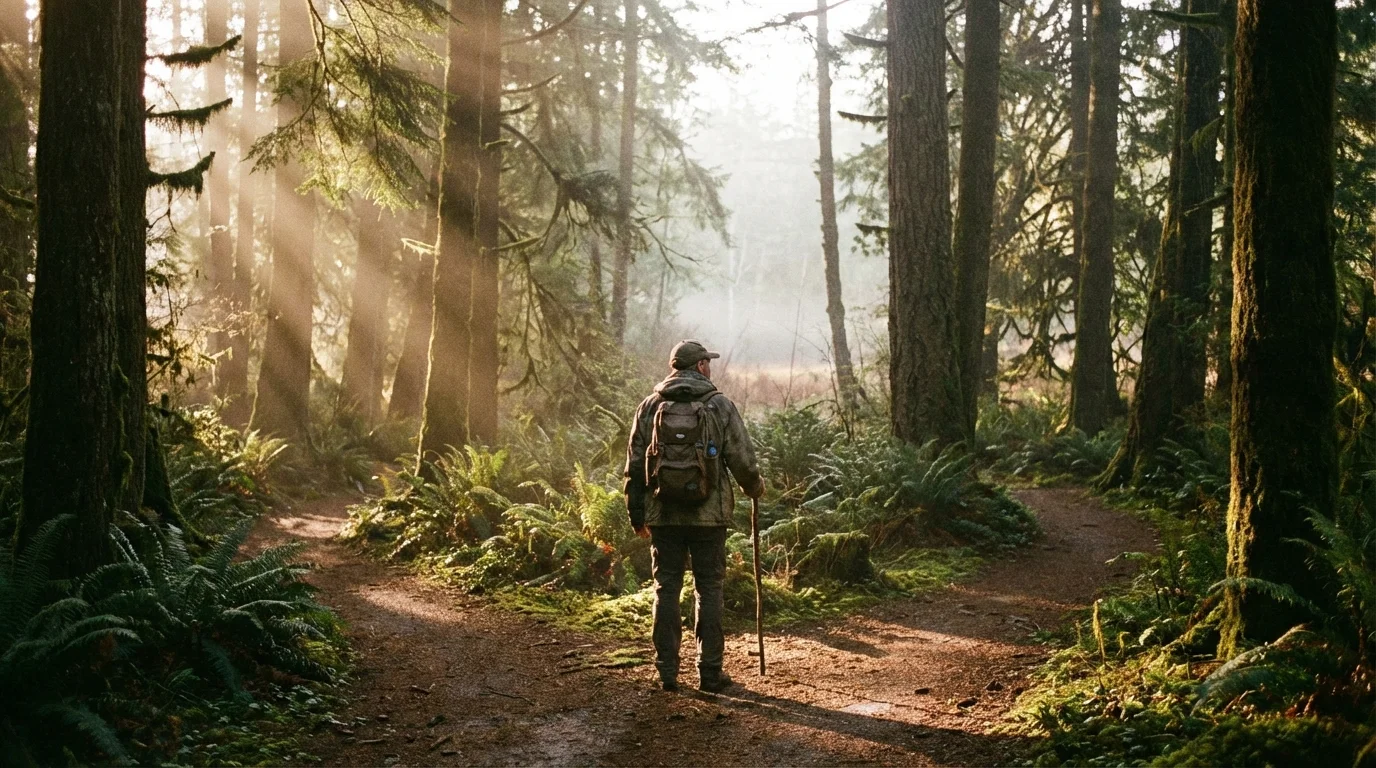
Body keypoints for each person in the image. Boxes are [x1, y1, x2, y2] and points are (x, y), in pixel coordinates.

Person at [624, 340, 766, 693]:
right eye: (708, 362)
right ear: (701, 366)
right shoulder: (720, 406)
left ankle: (667, 672)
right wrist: (754, 489)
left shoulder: (649, 407)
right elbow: (742, 459)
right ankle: (710, 672)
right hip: (709, 517)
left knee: (666, 589)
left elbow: (634, 466)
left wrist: (636, 515)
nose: (710, 366)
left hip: (663, 515)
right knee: (709, 589)